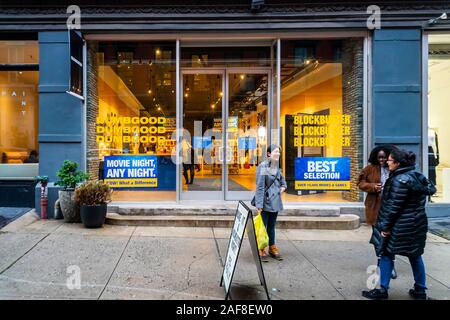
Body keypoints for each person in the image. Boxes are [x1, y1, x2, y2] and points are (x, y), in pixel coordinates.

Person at [362, 149, 436, 300]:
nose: (387, 162)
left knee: (386, 254)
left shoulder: (398, 180)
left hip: (399, 225)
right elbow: (429, 189)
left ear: (397, 163)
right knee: (415, 256)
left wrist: (385, 228)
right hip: (416, 225)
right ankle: (420, 291)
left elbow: (393, 207)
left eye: (389, 160)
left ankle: (383, 290)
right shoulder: (417, 176)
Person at [358, 145, 398, 279]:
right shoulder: (370, 169)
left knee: (390, 238)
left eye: (384, 157)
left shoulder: (395, 168)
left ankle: (391, 264)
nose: (382, 160)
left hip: (391, 209)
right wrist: (372, 186)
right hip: (375, 208)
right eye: (379, 157)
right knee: (378, 238)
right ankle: (381, 263)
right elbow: (359, 182)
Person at [254, 144, 287, 262]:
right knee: (263, 227)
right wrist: (259, 205)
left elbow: (284, 183)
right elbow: (260, 187)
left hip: (276, 202)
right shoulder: (263, 166)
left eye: (279, 152)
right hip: (265, 202)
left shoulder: (277, 167)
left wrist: (280, 190)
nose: (278, 153)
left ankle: (272, 248)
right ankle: (261, 248)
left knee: (272, 226)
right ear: (269, 154)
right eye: (275, 151)